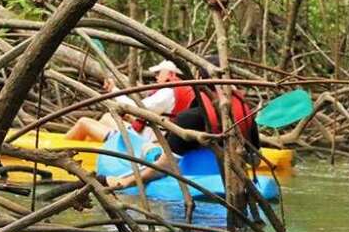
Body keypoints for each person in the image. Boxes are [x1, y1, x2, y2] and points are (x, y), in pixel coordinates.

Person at [103, 84, 259, 189]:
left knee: (150, 150)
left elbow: (166, 167)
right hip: (235, 175)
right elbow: (256, 160)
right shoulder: (246, 113)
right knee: (151, 147)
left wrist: (125, 182)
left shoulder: (189, 118)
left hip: (196, 172)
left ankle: (134, 169)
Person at [66, 60, 196, 142]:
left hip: (140, 144)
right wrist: (132, 120)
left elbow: (136, 109)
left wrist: (113, 90)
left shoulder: (168, 93)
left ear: (171, 74)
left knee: (83, 122)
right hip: (152, 136)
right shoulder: (181, 90)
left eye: (159, 73)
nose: (156, 76)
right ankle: (94, 151)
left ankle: (61, 152)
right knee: (106, 117)